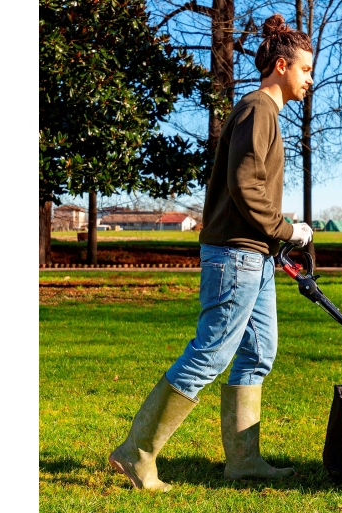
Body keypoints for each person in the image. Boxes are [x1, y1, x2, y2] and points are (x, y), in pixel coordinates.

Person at [108, 14, 314, 491]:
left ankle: (244, 461)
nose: (309, 80)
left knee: (259, 352)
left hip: (256, 257)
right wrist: (288, 229)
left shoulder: (264, 114)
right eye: (305, 70)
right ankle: (136, 453)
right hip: (235, 256)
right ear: (281, 66)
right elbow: (246, 186)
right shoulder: (258, 109)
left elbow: (250, 187)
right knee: (211, 353)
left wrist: (279, 237)